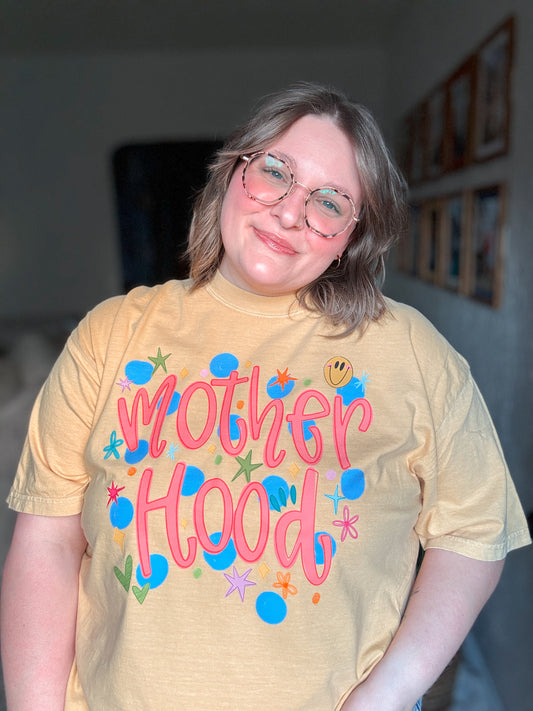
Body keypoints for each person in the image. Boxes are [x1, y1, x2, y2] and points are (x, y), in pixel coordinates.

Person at [1, 83, 530, 711]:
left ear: (351, 237)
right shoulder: (112, 333)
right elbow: (48, 539)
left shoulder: (409, 351)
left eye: (329, 202)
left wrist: (387, 696)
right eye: (275, 172)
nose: (288, 212)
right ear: (233, 172)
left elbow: (475, 531)